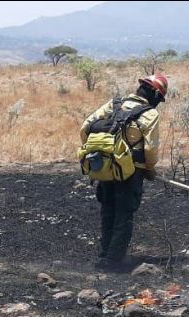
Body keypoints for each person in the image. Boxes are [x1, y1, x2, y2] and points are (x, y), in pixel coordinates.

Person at [79, 73, 168, 271]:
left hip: (105, 168)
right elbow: (150, 150)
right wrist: (150, 170)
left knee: (108, 210)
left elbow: (85, 128)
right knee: (124, 214)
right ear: (154, 94)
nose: (158, 103)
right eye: (159, 98)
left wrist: (98, 154)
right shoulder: (150, 115)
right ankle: (114, 261)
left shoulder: (113, 104)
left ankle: (104, 254)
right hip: (130, 173)